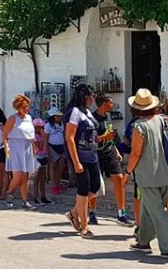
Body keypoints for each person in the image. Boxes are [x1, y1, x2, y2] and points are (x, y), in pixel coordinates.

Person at [122, 88, 168, 258]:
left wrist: (127, 172)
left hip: (147, 175)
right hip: (164, 172)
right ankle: (143, 241)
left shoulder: (139, 127)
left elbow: (135, 153)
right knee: (149, 209)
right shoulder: (161, 121)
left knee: (156, 211)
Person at [89, 93, 132, 226]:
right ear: (104, 104)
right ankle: (92, 212)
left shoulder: (108, 116)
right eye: (111, 102)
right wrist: (104, 137)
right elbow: (90, 139)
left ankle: (121, 213)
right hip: (96, 154)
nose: (113, 105)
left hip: (110, 151)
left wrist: (116, 150)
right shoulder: (92, 119)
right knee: (95, 184)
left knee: (119, 178)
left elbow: (111, 135)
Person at [63, 84, 100, 239]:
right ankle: (84, 226)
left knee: (95, 186)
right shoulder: (75, 112)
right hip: (80, 156)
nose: (93, 99)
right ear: (85, 97)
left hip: (92, 155)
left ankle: (73, 213)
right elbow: (70, 137)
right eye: (92, 96)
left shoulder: (87, 112)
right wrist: (76, 162)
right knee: (83, 189)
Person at [3, 94, 36, 210]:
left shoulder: (29, 118)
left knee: (25, 175)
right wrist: (6, 146)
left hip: (27, 146)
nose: (26, 109)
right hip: (15, 146)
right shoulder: (13, 118)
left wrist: (34, 146)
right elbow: (4, 133)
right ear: (18, 108)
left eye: (27, 106)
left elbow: (30, 135)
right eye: (23, 107)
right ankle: (9, 192)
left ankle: (24, 200)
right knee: (18, 175)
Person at [44, 107, 66, 196]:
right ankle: (53, 185)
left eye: (60, 116)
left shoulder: (61, 124)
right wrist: (46, 150)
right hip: (52, 146)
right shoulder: (48, 126)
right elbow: (46, 139)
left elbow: (63, 135)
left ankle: (57, 182)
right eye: (57, 116)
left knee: (61, 165)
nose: (59, 118)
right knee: (53, 166)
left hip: (61, 146)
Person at [33, 118, 52, 204]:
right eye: (40, 127)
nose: (41, 129)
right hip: (37, 157)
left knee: (43, 179)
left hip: (43, 157)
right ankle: (36, 197)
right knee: (37, 179)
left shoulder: (42, 136)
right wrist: (43, 139)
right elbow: (39, 147)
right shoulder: (35, 137)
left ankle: (43, 197)